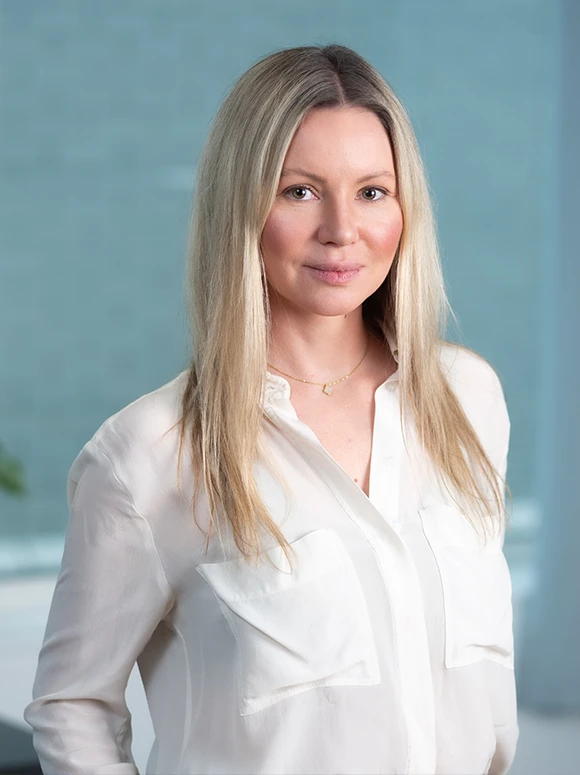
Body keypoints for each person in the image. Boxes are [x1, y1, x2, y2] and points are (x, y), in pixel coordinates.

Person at [23, 43, 518, 775]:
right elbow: (73, 705)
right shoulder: (149, 454)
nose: (342, 230)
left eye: (372, 191)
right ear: (241, 205)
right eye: (301, 191)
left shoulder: (467, 398)